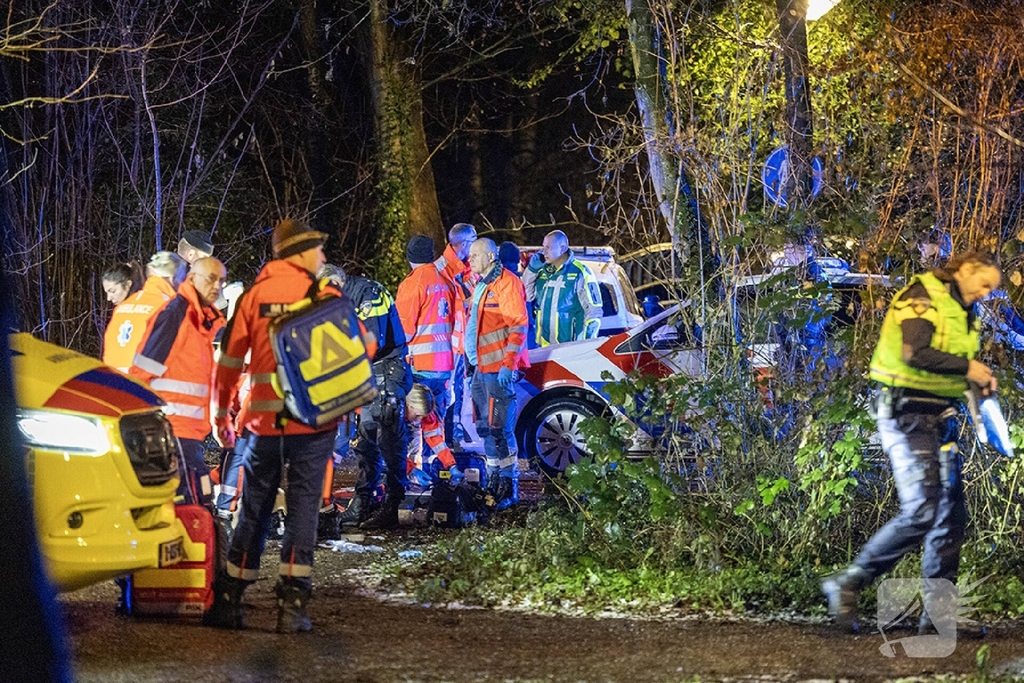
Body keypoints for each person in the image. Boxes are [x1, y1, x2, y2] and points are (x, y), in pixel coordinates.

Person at [821, 252, 1001, 633]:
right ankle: (847, 582)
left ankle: (937, 617)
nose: (986, 294)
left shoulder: (965, 310)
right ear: (966, 271)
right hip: (906, 413)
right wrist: (969, 367)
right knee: (922, 509)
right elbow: (914, 352)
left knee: (950, 516)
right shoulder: (922, 295)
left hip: (941, 417)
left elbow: (956, 368)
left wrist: (980, 392)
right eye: (984, 284)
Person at [205, 218, 340, 634]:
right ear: (298, 253)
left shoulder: (253, 298)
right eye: (316, 249)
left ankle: (230, 601)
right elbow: (358, 349)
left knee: (254, 509)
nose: (322, 257)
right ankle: (293, 606)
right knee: (303, 510)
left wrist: (221, 416)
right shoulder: (323, 293)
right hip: (314, 425)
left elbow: (228, 361)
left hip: (262, 424)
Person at [129, 257, 227, 506]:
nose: (217, 286)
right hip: (172, 428)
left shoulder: (200, 319)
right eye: (211, 278)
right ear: (192, 278)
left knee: (195, 500)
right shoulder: (178, 314)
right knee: (196, 500)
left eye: (222, 280)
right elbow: (142, 370)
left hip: (186, 431)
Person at [323, 264, 414, 530]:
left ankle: (394, 503)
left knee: (388, 440)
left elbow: (371, 342)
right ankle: (364, 502)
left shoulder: (367, 293)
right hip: (365, 373)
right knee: (364, 441)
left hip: (386, 370)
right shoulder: (341, 299)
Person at [465, 238, 529, 510]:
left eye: (476, 255)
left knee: (500, 429)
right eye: (470, 255)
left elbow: (518, 326)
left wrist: (509, 364)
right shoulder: (482, 284)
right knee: (486, 430)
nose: (471, 260)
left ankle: (508, 485)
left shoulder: (507, 283)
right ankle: (493, 481)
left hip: (498, 370)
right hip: (481, 369)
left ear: (491, 256)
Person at [396, 234, 455, 466]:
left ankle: (413, 467)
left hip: (420, 365)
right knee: (434, 422)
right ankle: (440, 468)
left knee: (412, 420)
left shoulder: (413, 283)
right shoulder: (446, 279)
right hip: (445, 365)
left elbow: (405, 331)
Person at [103, 251, 187, 372]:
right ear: (172, 278)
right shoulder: (169, 307)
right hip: (142, 379)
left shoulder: (123, 306)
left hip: (111, 378)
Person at [522, 230, 602, 347]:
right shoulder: (542, 271)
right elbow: (526, 295)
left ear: (563, 248)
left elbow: (594, 312)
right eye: (543, 247)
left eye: (548, 247)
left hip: (569, 347)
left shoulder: (580, 272)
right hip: (543, 345)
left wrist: (587, 344)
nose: (544, 252)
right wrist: (531, 270)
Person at [437, 223, 478, 449]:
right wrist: (468, 302)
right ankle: (444, 439)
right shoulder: (443, 269)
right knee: (448, 394)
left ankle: (453, 436)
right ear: (463, 244)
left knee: (459, 393)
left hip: (461, 344)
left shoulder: (465, 269)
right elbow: (445, 304)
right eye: (473, 240)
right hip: (447, 345)